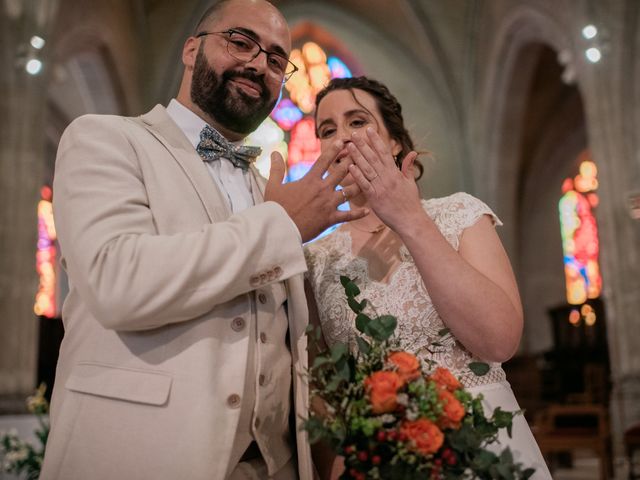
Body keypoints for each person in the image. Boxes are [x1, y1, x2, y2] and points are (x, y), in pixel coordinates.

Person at [40, 1, 365, 479]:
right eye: (240, 42)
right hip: (142, 456)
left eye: (277, 60)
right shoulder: (105, 139)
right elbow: (117, 280)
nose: (259, 64)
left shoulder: (265, 188)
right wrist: (282, 226)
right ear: (191, 49)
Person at [304, 76, 553, 480]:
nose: (341, 139)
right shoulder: (315, 259)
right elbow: (323, 391)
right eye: (327, 130)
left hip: (482, 441)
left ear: (395, 143)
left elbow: (500, 339)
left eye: (357, 122)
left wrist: (410, 220)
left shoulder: (459, 214)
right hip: (380, 459)